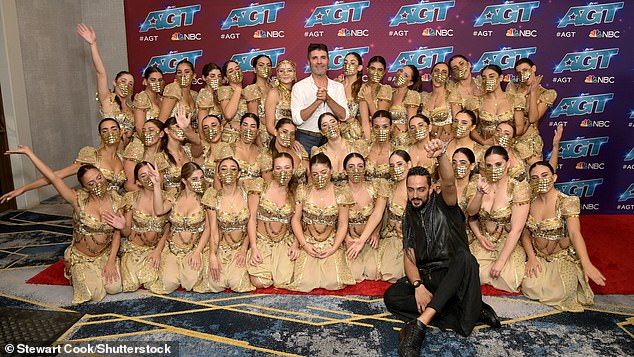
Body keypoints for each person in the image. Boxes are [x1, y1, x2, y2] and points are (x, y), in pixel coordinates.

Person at [383, 138, 500, 357]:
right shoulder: (409, 213)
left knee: (465, 258)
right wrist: (418, 285)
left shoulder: (445, 203)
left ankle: (419, 325)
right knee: (392, 297)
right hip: (432, 279)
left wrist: (441, 155)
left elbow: (448, 182)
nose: (415, 195)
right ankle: (470, 307)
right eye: (411, 190)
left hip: (456, 273)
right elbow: (409, 257)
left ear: (431, 189)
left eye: (420, 190)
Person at [6, 145, 123, 304]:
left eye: (99, 178)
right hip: (83, 257)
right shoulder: (77, 200)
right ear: (84, 188)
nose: (97, 184)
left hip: (105, 255)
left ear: (103, 176)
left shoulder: (116, 199)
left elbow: (117, 232)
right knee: (94, 294)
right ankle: (76, 270)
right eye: (91, 183)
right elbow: (53, 178)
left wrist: (110, 262)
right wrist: (29, 153)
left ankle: (100, 271)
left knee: (114, 288)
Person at [521, 161, 605, 311]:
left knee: (560, 294)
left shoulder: (566, 201)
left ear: (554, 177)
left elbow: (574, 233)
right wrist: (531, 258)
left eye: (544, 175)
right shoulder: (530, 203)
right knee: (529, 287)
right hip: (540, 258)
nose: (540, 180)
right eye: (534, 177)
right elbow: (525, 233)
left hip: (562, 258)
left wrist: (586, 263)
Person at [1, 118, 126, 203]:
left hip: (115, 206)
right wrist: (23, 189)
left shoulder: (122, 157)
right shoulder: (92, 157)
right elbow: (56, 176)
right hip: (95, 206)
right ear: (100, 136)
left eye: (114, 129)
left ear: (120, 132)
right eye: (105, 130)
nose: (110, 133)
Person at [466, 146, 530, 292]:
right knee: (472, 275)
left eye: (498, 164)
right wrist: (479, 193)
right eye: (489, 165)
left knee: (509, 279)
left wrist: (500, 262)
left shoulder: (518, 187)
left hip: (507, 243)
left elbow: (517, 229)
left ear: (508, 164)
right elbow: (471, 213)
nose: (493, 169)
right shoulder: (478, 182)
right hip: (484, 241)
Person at [288, 153, 355, 291]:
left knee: (334, 283)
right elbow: (295, 219)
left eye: (324, 172)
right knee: (304, 283)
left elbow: (343, 223)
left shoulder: (341, 193)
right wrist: (304, 244)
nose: (320, 177)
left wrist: (334, 247)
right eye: (315, 173)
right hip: (307, 241)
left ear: (331, 170)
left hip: (331, 241)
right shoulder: (303, 190)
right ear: (310, 174)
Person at [147, 162, 210, 294]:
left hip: (194, 249)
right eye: (194, 179)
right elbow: (159, 210)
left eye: (201, 178)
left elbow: (209, 228)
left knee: (191, 282)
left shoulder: (206, 197)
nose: (199, 182)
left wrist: (198, 252)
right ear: (184, 181)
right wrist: (157, 185)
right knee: (167, 283)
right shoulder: (174, 195)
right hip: (173, 249)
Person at [198, 157, 256, 292]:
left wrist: (243, 249)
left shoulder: (248, 194)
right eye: (224, 169)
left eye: (233, 169)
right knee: (216, 284)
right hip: (223, 247)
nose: (228, 172)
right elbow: (213, 230)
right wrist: (213, 255)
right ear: (218, 175)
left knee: (237, 284)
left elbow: (253, 224)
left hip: (242, 247)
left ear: (239, 174)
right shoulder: (213, 197)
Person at [77, 23, 134, 150]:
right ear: (115, 82)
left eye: (130, 83)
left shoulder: (133, 107)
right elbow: (101, 73)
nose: (126, 85)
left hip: (128, 155)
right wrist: (93, 45)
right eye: (123, 81)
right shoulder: (108, 99)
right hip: (109, 154)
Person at [247, 153, 300, 288]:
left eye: (287, 168)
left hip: (284, 242)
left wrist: (296, 244)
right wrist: (254, 247)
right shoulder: (260, 187)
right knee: (260, 282)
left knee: (284, 281)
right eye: (278, 168)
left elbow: (298, 221)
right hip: (262, 242)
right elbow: (252, 218)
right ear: (273, 170)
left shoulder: (297, 191)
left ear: (293, 170)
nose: (283, 172)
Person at [116, 162, 170, 292]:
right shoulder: (131, 198)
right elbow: (127, 232)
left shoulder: (169, 196)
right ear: (138, 182)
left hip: (158, 249)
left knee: (155, 282)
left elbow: (168, 227)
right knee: (129, 285)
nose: (149, 178)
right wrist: (122, 226)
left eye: (151, 174)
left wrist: (157, 251)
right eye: (143, 176)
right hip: (135, 248)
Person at [291, 43, 349, 153]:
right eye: (314, 58)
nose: (319, 62)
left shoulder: (338, 87)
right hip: (305, 137)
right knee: (305, 170)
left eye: (323, 58)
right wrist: (317, 102)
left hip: (331, 137)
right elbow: (297, 120)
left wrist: (328, 99)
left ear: (328, 61)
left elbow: (344, 116)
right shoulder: (299, 87)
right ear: (308, 62)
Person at [344, 153, 388, 282]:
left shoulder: (376, 187)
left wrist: (375, 232)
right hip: (350, 238)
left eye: (360, 166)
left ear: (365, 168)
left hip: (368, 238)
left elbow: (377, 214)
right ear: (345, 171)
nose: (356, 170)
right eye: (351, 167)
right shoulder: (340, 191)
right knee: (354, 275)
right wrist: (346, 238)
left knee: (373, 272)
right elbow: (337, 220)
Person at [507, 58, 558, 165]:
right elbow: (508, 112)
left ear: (533, 68)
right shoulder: (512, 87)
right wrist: (525, 92)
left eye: (525, 70)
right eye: (519, 73)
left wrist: (533, 93)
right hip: (510, 140)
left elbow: (533, 118)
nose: (523, 75)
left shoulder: (547, 93)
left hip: (530, 143)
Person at [466, 65, 525, 145]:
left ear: (501, 78)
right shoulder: (476, 101)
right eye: (484, 78)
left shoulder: (515, 99)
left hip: (509, 145)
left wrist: (503, 138)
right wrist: (483, 142)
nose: (488, 80)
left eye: (491, 76)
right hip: (486, 147)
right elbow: (471, 127)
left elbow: (520, 128)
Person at [377, 150, 412, 282]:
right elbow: (377, 214)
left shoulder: (420, 188)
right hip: (393, 238)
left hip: (415, 239)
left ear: (409, 164)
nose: (396, 169)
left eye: (399, 164)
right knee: (388, 273)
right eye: (392, 166)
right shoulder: (388, 187)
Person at [311, 112, 366, 186]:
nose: (330, 127)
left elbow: (363, 177)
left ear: (339, 124)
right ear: (321, 132)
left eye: (333, 122)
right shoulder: (318, 153)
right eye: (325, 125)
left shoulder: (356, 147)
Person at [122, 119, 169, 192]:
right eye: (144, 131)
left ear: (161, 134)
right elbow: (129, 185)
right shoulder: (135, 152)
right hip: (140, 198)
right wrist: (149, 195)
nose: (146, 134)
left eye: (151, 130)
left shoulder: (165, 156)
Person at [387, 65, 422, 147]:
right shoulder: (389, 92)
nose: (401, 75)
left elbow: (412, 122)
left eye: (406, 75)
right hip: (388, 138)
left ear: (410, 83)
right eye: (400, 71)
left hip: (402, 140)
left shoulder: (412, 95)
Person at [358, 56, 391, 140]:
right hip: (359, 132)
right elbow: (364, 120)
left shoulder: (385, 89)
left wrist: (369, 100)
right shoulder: (361, 88)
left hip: (379, 134)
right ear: (367, 69)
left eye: (379, 70)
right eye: (373, 68)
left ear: (384, 73)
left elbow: (380, 118)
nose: (375, 72)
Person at [268, 119, 309, 184]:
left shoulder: (299, 150)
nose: (288, 136)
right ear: (276, 132)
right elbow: (269, 185)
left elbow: (310, 175)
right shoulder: (267, 157)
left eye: (292, 134)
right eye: (284, 132)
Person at [245, 55, 274, 145]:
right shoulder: (252, 89)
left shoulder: (274, 88)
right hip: (262, 135)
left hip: (277, 133)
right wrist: (258, 143)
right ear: (254, 69)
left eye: (268, 65)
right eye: (261, 65)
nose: (265, 68)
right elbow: (254, 119)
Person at [158, 60, 198, 124]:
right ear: (176, 76)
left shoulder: (194, 95)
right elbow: (162, 120)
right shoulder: (173, 89)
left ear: (194, 75)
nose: (183, 75)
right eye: (179, 72)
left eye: (187, 72)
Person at [420, 62, 453, 139]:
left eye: (444, 72)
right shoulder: (424, 97)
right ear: (431, 75)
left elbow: (458, 122)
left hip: (447, 142)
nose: (439, 74)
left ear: (448, 79)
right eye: (436, 71)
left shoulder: (452, 96)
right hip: (427, 142)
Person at [218, 60, 248, 144]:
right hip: (231, 138)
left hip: (248, 136)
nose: (236, 72)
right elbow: (228, 115)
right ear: (226, 78)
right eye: (231, 71)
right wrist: (238, 89)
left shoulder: (249, 91)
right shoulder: (224, 90)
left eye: (237, 69)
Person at [265, 60, 296, 137]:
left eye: (289, 70)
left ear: (295, 73)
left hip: (297, 137)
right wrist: (283, 138)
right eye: (281, 71)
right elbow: (270, 126)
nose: (285, 73)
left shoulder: (297, 92)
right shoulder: (274, 93)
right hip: (278, 138)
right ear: (277, 74)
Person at [339, 52, 364, 141]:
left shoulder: (363, 88)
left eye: (352, 63)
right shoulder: (336, 85)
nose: (348, 65)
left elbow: (364, 119)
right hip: (335, 133)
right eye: (345, 63)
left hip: (354, 134)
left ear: (359, 67)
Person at [133, 66, 164, 136]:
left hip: (160, 139)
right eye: (153, 80)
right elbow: (139, 127)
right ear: (145, 81)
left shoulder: (162, 98)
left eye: (160, 80)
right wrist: (149, 143)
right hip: (145, 141)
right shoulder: (142, 98)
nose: (157, 83)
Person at [365, 110, 395, 182]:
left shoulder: (396, 151)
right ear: (371, 127)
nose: (380, 130)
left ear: (391, 127)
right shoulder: (364, 148)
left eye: (385, 127)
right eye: (377, 127)